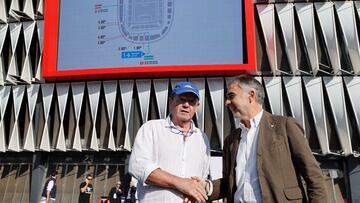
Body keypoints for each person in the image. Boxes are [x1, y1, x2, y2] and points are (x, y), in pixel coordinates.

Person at [194, 75, 328, 202]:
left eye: (231, 96)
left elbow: (314, 176)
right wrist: (207, 186)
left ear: (251, 96)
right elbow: (230, 184)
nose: (227, 102)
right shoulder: (231, 140)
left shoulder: (284, 126)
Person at [128, 81, 210, 202]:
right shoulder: (151, 128)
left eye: (191, 101)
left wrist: (197, 190)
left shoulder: (202, 138)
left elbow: (202, 176)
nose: (186, 105)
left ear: (197, 106)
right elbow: (138, 166)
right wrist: (180, 183)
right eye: (181, 99)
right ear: (171, 101)